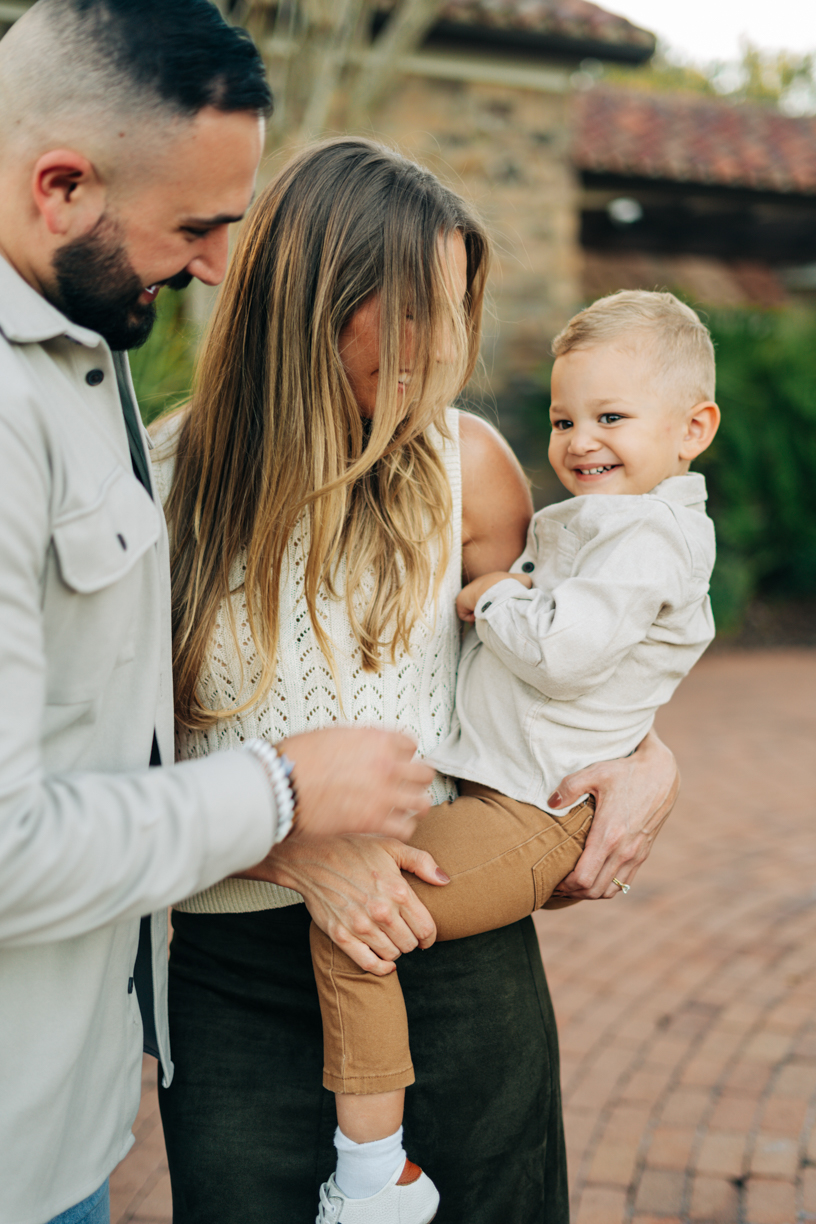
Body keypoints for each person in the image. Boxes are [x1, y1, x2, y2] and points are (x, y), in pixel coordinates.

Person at [155, 138, 680, 1224]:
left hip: (453, 962)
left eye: (456, 308)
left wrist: (647, 758)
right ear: (307, 301)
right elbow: (97, 774)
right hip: (239, 980)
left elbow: (563, 655)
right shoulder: (159, 487)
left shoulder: (470, 466)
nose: (443, 347)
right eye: (411, 310)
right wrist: (284, 842)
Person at [0, 8, 435, 1224]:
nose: (209, 264)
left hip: (58, 1122)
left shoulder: (79, 347)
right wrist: (285, 795)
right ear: (62, 186)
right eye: (194, 226)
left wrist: (621, 732)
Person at [310, 289, 721, 1222]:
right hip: (503, 794)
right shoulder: (611, 519)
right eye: (565, 418)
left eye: (611, 418)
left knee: (360, 924)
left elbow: (567, 652)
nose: (580, 440)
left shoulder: (643, 536)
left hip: (528, 811)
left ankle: (374, 1180)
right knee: (370, 910)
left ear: (694, 427)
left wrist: (491, 595)